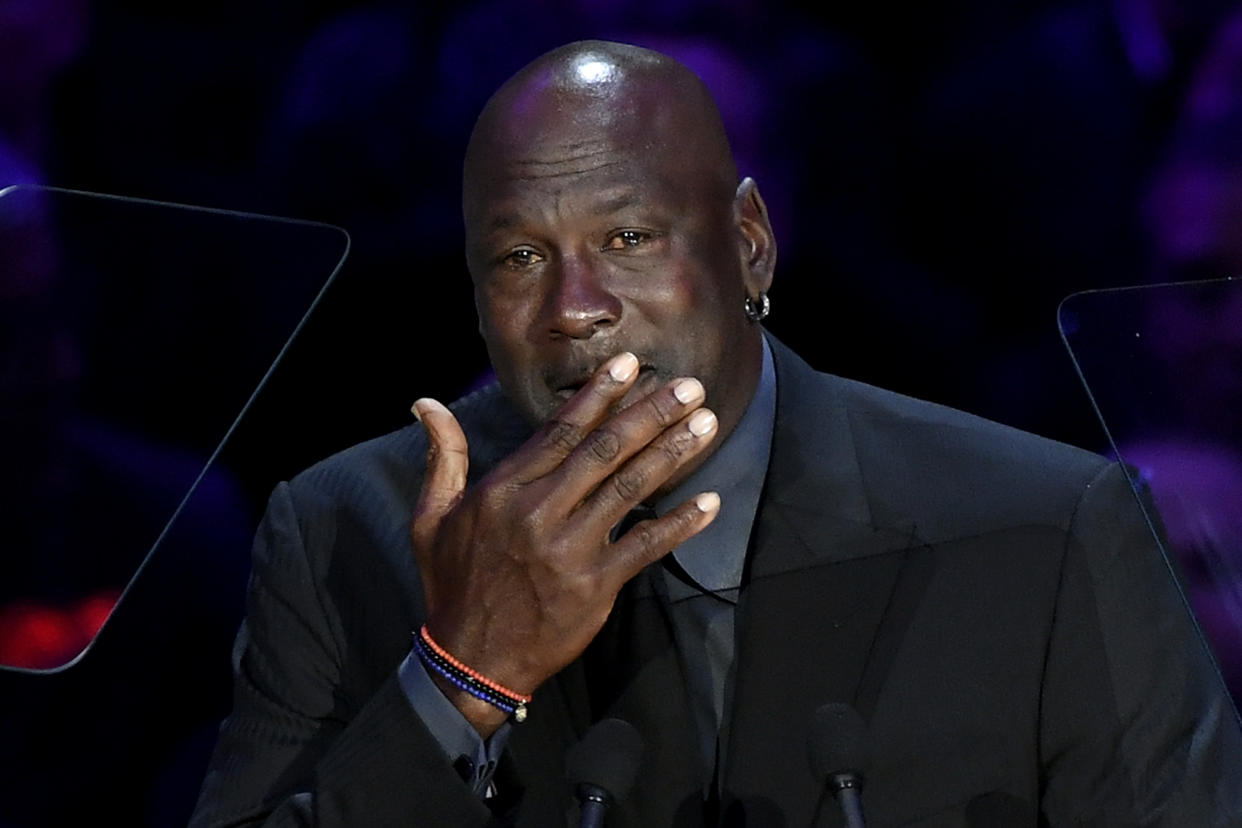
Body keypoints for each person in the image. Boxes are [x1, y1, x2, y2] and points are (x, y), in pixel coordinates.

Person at [190, 39, 1242, 826]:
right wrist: (461, 678)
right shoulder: (340, 530)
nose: (575, 306)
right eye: (518, 258)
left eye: (629, 236)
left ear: (748, 246)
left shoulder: (1048, 531)